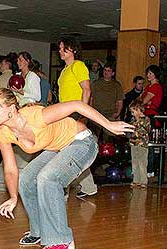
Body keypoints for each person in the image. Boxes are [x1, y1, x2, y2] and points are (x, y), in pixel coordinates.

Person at [0, 88, 133, 249]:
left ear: (11, 109)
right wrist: (13, 197)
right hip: (57, 148)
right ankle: (39, 231)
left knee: (47, 178)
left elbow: (77, 105)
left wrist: (108, 125)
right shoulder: (4, 133)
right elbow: (11, 170)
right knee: (26, 179)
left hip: (82, 143)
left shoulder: (36, 116)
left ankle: (62, 240)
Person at [57, 36, 96, 199]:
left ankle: (62, 188)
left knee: (67, 150)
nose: (59, 50)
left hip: (74, 113)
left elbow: (86, 90)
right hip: (64, 113)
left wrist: (82, 112)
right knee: (70, 150)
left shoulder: (78, 66)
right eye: (59, 48)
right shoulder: (66, 69)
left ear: (71, 49)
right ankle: (89, 186)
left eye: (62, 48)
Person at [141, 64, 163, 178]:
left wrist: (145, 102)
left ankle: (151, 169)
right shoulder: (149, 87)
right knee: (147, 144)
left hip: (152, 116)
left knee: (150, 144)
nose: (148, 75)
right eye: (147, 73)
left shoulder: (155, 87)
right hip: (147, 115)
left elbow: (143, 100)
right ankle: (149, 168)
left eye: (150, 73)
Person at [129, 98, 151, 188]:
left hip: (142, 144)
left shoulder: (146, 119)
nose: (132, 114)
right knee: (135, 162)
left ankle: (143, 181)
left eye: (133, 111)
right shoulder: (132, 119)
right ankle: (136, 180)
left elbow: (147, 130)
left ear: (138, 110)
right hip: (133, 144)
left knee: (142, 162)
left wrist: (139, 121)